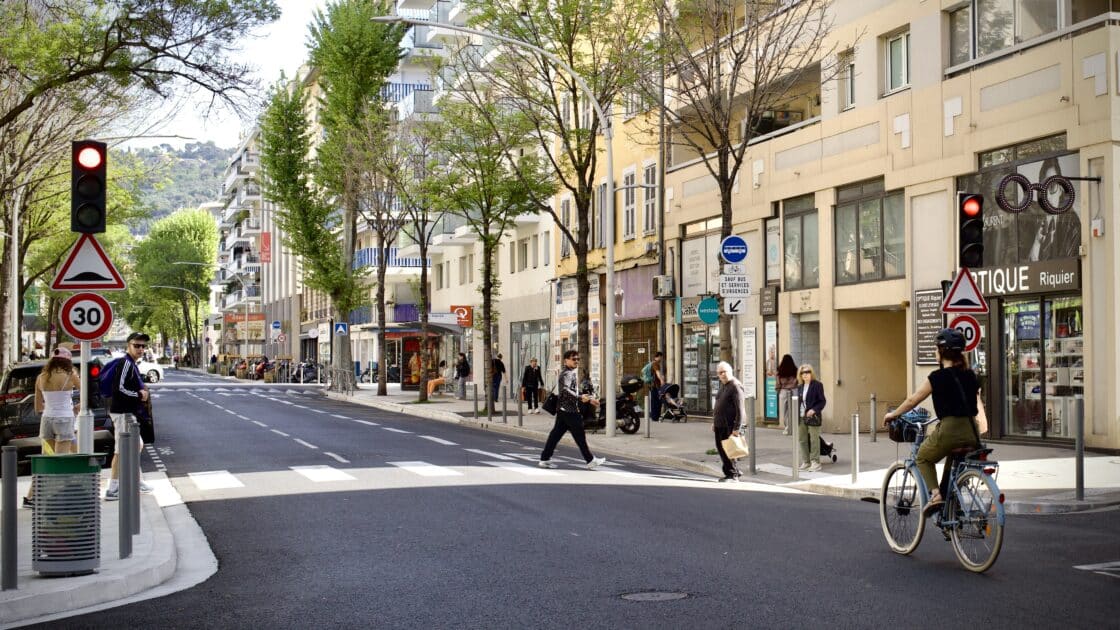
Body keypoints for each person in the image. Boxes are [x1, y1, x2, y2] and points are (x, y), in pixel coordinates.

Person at [883, 328, 981, 517]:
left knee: (922, 457)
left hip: (950, 429)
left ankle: (935, 496)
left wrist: (893, 414)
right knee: (952, 465)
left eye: (937, 349)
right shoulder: (971, 375)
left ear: (942, 352)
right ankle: (950, 505)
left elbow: (913, 401)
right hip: (972, 430)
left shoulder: (937, 377)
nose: (935, 352)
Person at [23, 347, 81, 507]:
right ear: (67, 362)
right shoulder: (71, 376)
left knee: (46, 459)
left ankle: (30, 497)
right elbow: (86, 395)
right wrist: (76, 407)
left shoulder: (41, 377)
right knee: (59, 461)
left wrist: (51, 406)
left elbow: (37, 407)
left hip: (47, 420)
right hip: (64, 420)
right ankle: (56, 498)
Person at [106, 332, 154, 499]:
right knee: (121, 450)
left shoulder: (131, 363)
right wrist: (139, 395)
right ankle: (113, 488)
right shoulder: (125, 363)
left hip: (127, 412)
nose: (140, 349)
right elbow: (119, 389)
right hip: (122, 413)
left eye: (143, 346)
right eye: (137, 345)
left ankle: (135, 480)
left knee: (137, 445)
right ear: (129, 345)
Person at [539, 350, 605, 470]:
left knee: (555, 435)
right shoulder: (567, 374)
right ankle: (590, 460)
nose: (576, 361)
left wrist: (589, 398)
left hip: (564, 409)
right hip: (569, 410)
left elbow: (573, 391)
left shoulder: (569, 373)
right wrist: (582, 398)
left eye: (577, 359)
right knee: (579, 435)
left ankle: (544, 458)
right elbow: (567, 391)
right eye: (573, 359)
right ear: (566, 361)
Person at [712, 361, 746, 482]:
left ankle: (733, 474)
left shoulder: (735, 386)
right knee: (721, 449)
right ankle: (729, 472)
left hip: (730, 425)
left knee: (730, 450)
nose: (721, 375)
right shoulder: (724, 386)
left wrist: (737, 428)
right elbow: (718, 404)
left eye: (723, 372)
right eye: (719, 373)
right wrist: (714, 422)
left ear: (730, 371)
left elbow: (740, 409)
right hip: (720, 424)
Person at [797, 363, 826, 472]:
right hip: (801, 416)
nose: (805, 374)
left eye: (807, 372)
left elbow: (822, 401)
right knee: (802, 439)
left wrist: (814, 410)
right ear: (800, 375)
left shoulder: (817, 385)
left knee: (814, 439)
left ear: (811, 373)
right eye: (802, 373)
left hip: (813, 416)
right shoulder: (799, 387)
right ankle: (806, 461)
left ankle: (815, 462)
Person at [777, 354, 799, 435]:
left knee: (784, 411)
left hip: (784, 391)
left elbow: (778, 383)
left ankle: (787, 427)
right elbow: (798, 380)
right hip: (794, 390)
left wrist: (778, 390)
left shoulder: (780, 370)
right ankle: (794, 427)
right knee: (795, 409)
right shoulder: (795, 370)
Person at [642, 351, 665, 421]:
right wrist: (662, 380)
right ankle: (655, 416)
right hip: (655, 385)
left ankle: (654, 416)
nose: (661, 358)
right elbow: (657, 373)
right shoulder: (655, 364)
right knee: (657, 401)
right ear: (657, 357)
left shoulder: (653, 363)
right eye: (661, 357)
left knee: (654, 400)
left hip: (652, 385)